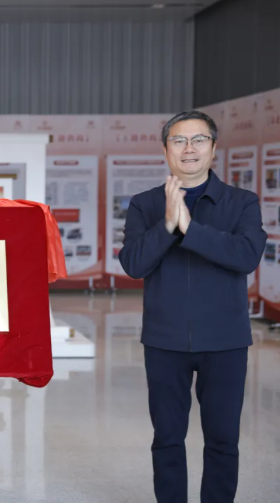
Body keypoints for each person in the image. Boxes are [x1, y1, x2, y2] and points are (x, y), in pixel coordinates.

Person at [118, 110, 267, 503]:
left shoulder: (242, 202)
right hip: (164, 341)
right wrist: (167, 224)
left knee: (223, 439)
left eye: (199, 139)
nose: (189, 148)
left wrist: (190, 229)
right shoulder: (145, 204)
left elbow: (246, 256)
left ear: (214, 149)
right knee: (167, 437)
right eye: (179, 140)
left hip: (225, 341)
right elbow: (133, 264)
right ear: (166, 150)